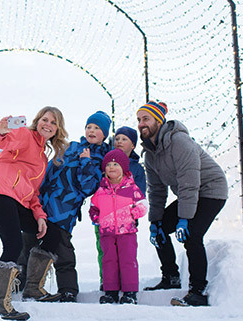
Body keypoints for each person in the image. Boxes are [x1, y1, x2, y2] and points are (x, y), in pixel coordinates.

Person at [0, 107, 69, 320]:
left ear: (57, 129)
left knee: (51, 234)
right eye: (44, 119)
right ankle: (1, 305)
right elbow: (1, 141)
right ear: (37, 122)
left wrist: (39, 216)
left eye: (53, 123)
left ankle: (34, 288)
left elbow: (33, 192)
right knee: (13, 245)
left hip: (17, 200)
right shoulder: (25, 135)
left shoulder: (43, 158)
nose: (48, 124)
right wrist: (1, 130)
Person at [137, 101, 228, 306]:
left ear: (159, 121)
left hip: (211, 190)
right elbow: (157, 191)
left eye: (146, 119)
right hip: (190, 193)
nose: (141, 124)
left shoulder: (179, 142)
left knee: (192, 235)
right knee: (160, 230)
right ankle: (171, 277)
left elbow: (189, 183)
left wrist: (185, 219)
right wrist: (155, 220)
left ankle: (197, 292)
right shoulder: (151, 154)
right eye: (139, 120)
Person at [28, 110, 111, 303]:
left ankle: (68, 290)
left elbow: (88, 187)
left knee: (62, 249)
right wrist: (37, 194)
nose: (91, 130)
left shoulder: (101, 158)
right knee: (30, 242)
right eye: (89, 126)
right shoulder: (70, 147)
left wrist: (86, 162)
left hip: (65, 210)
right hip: (44, 203)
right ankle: (25, 284)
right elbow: (49, 170)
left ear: (104, 134)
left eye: (97, 128)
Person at [89, 149, 147, 304]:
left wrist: (133, 214)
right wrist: (97, 218)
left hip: (127, 232)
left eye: (116, 164)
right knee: (108, 260)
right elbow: (93, 207)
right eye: (108, 164)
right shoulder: (101, 191)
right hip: (107, 233)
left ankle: (130, 292)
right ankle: (111, 291)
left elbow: (143, 205)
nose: (111, 167)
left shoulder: (131, 188)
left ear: (124, 167)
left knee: (127, 260)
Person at [114, 126, 146, 194]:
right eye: (117, 139)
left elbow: (140, 194)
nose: (119, 141)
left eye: (124, 139)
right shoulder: (107, 163)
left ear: (132, 146)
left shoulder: (137, 169)